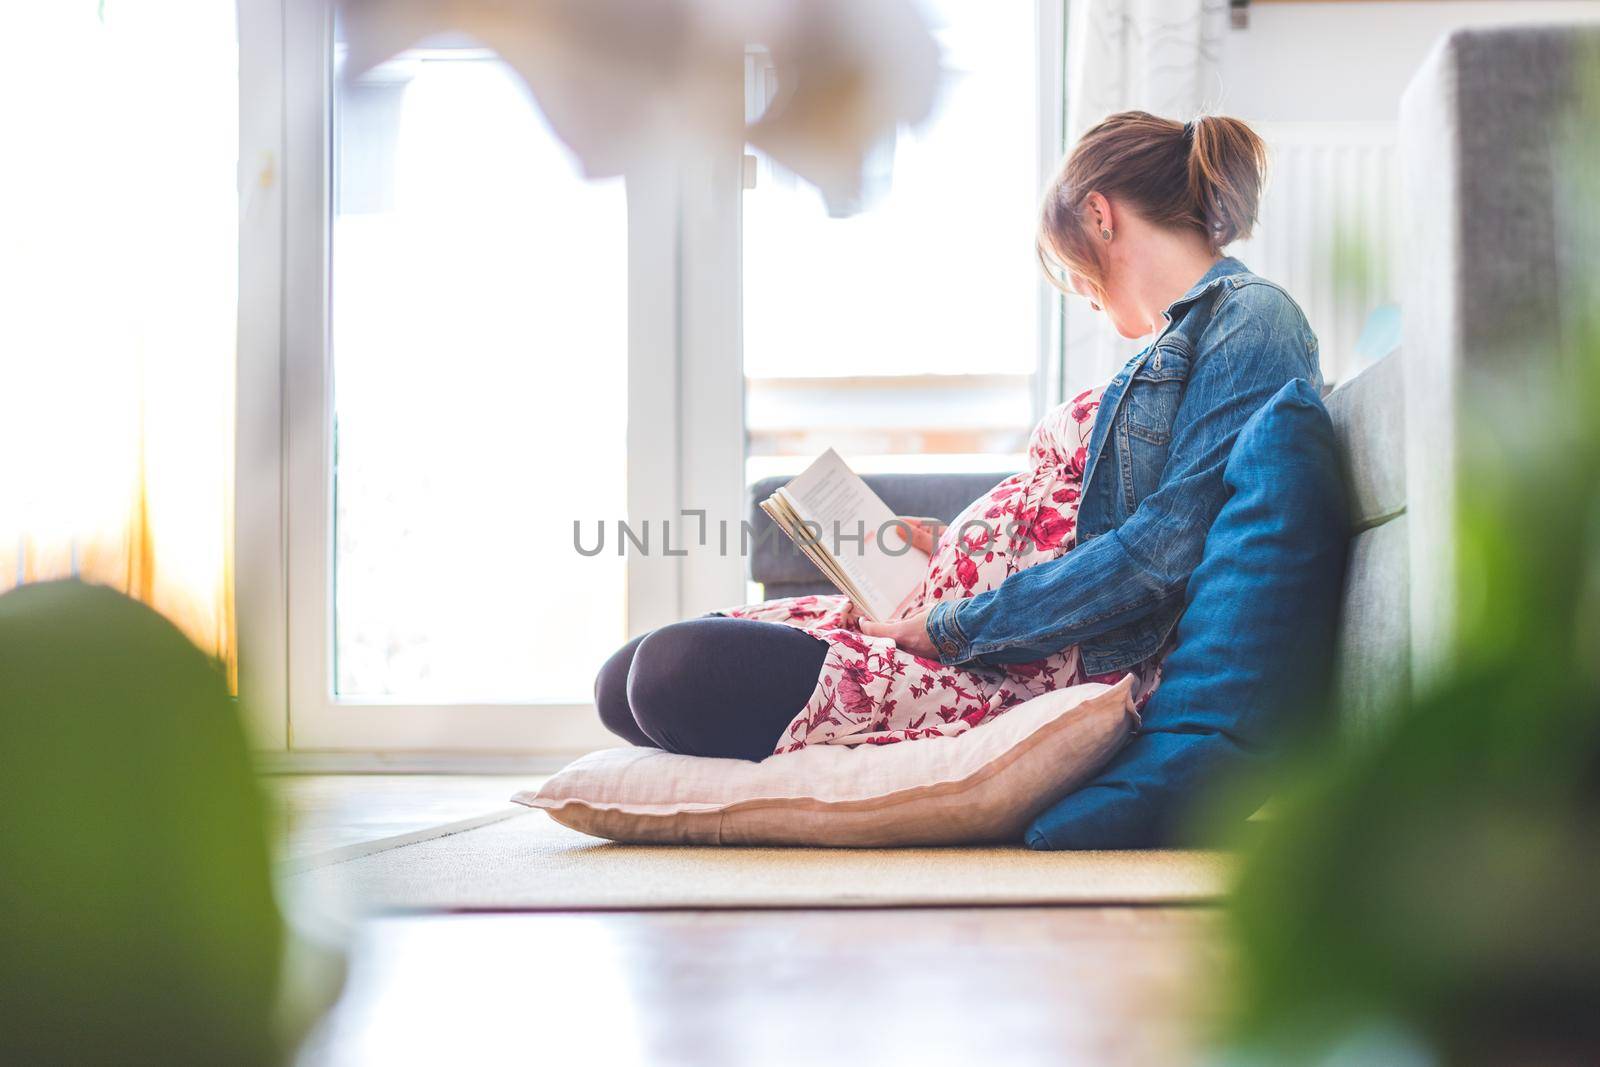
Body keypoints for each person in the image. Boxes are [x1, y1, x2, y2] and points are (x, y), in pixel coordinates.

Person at [595, 110, 1323, 761]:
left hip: (1000, 658)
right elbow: (1082, 512)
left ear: (1099, 215)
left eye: (1071, 267)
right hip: (955, 620)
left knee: (668, 672)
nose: (1080, 288)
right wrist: (953, 543)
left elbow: (1159, 554)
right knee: (618, 681)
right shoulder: (1170, 345)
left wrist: (952, 625)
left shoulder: (1251, 321)